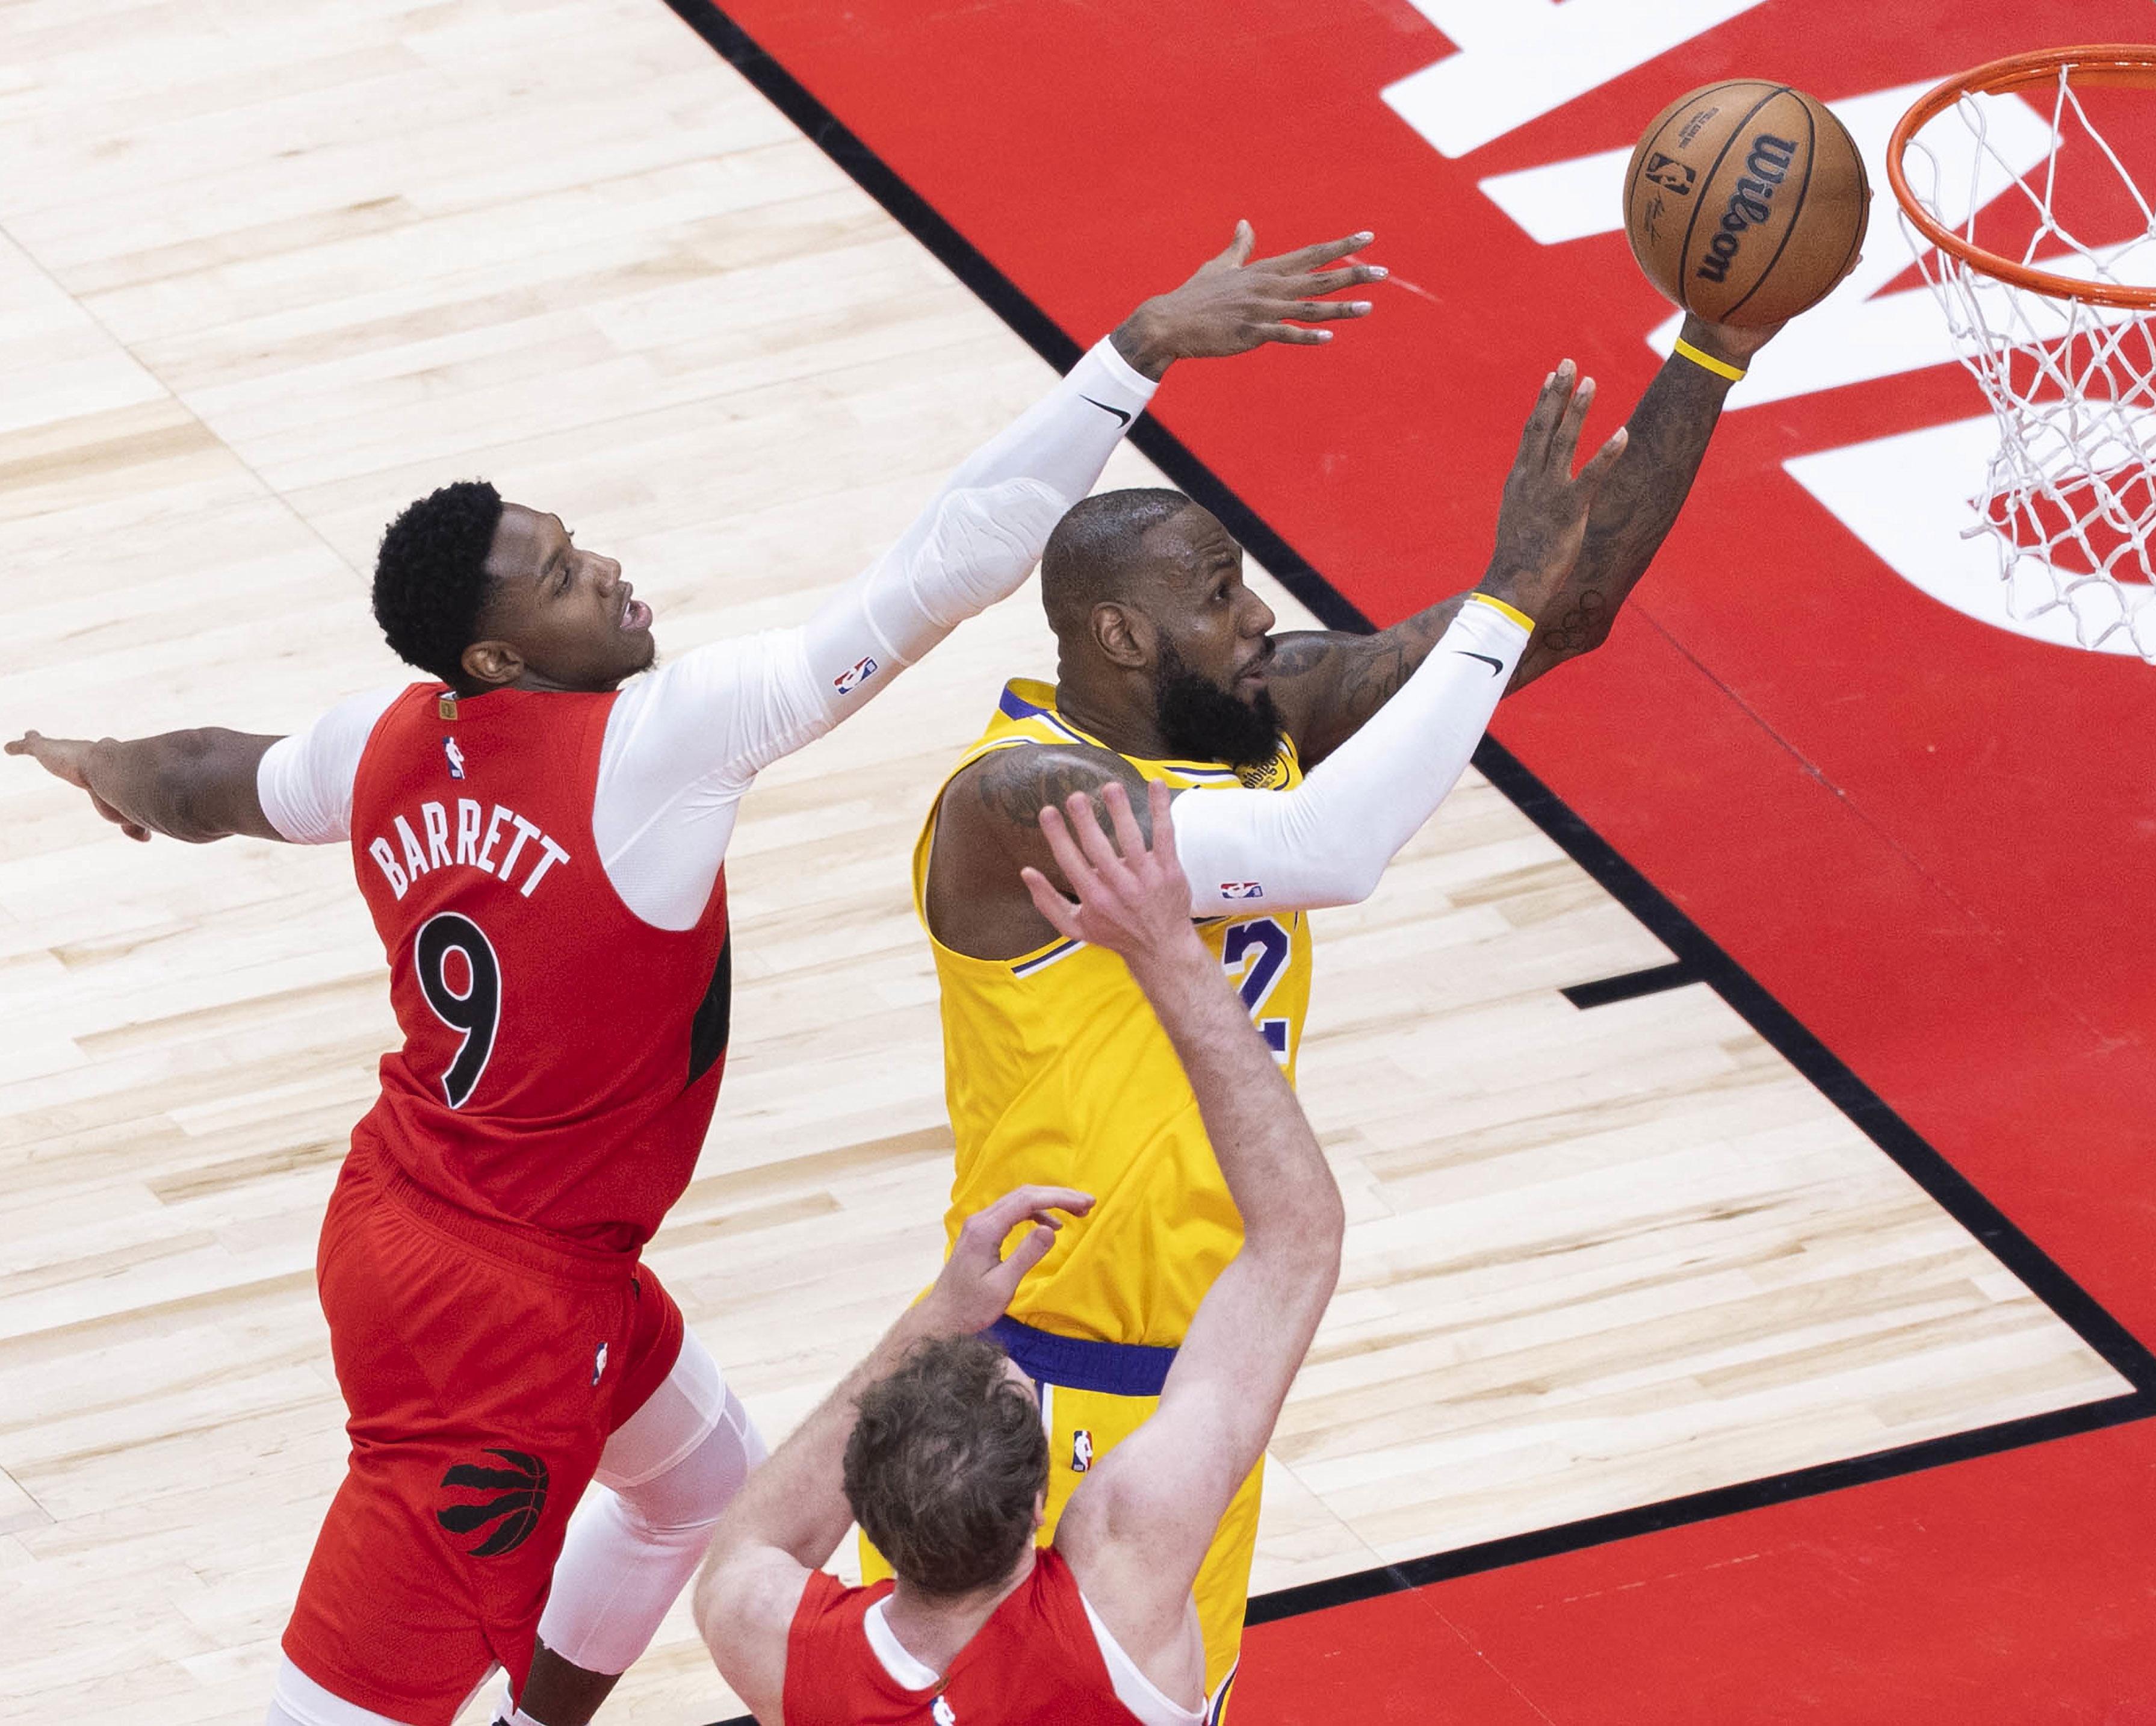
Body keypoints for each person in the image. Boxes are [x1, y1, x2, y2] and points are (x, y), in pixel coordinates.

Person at [4, 222, 1384, 1726]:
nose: (603, 571)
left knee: (705, 1487)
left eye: (574, 543)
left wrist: (98, 762)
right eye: (557, 579)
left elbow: (204, 777)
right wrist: (1133, 354)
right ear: (497, 660)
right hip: (498, 1312)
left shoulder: (385, 739)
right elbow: (947, 562)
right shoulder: (656, 747)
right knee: (349, 1704)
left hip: (414, 1204)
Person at [904, 312, 1787, 1712]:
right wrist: (1500, 592)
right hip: (1035, 1386)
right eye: (1218, 596)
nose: (1257, 617)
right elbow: (1331, 848)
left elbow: (1554, 614)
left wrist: (1714, 347)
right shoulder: (1020, 803)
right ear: (1122, 635)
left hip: (1209, 1380)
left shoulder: (1254, 715)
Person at [693, 775, 1346, 1725]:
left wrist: (941, 1315)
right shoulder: (1120, 1591)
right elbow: (1298, 1240)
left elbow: (749, 1546)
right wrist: (1165, 947)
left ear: (862, 1510)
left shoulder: (770, 1642)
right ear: (1046, 1507)